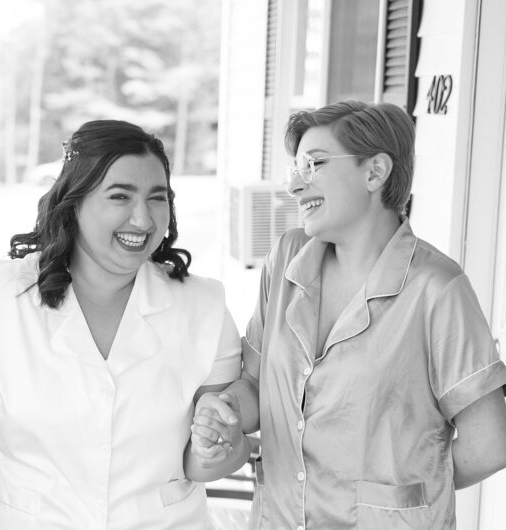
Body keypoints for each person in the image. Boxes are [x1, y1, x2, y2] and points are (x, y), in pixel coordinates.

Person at [190, 100, 506, 529]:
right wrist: (224, 408)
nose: (296, 186)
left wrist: (403, 497)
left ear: (375, 172)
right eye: (295, 169)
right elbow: (255, 384)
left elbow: (490, 443)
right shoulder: (286, 259)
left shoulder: (437, 288)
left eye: (315, 164)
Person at [0, 119, 247, 528]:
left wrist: (220, 447)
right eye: (120, 196)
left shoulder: (204, 307)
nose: (143, 219)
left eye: (157, 198)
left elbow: (205, 457)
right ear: (75, 202)